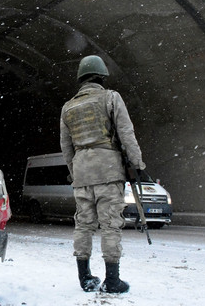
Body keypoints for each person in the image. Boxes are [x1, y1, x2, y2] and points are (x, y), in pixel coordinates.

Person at [59, 55, 145, 294]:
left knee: (83, 225)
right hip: (108, 170)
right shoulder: (111, 98)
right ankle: (112, 280)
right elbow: (126, 133)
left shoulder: (68, 107)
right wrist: (137, 165)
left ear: (81, 79)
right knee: (110, 225)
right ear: (102, 76)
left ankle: (84, 277)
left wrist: (76, 171)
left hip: (82, 173)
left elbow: (66, 147)